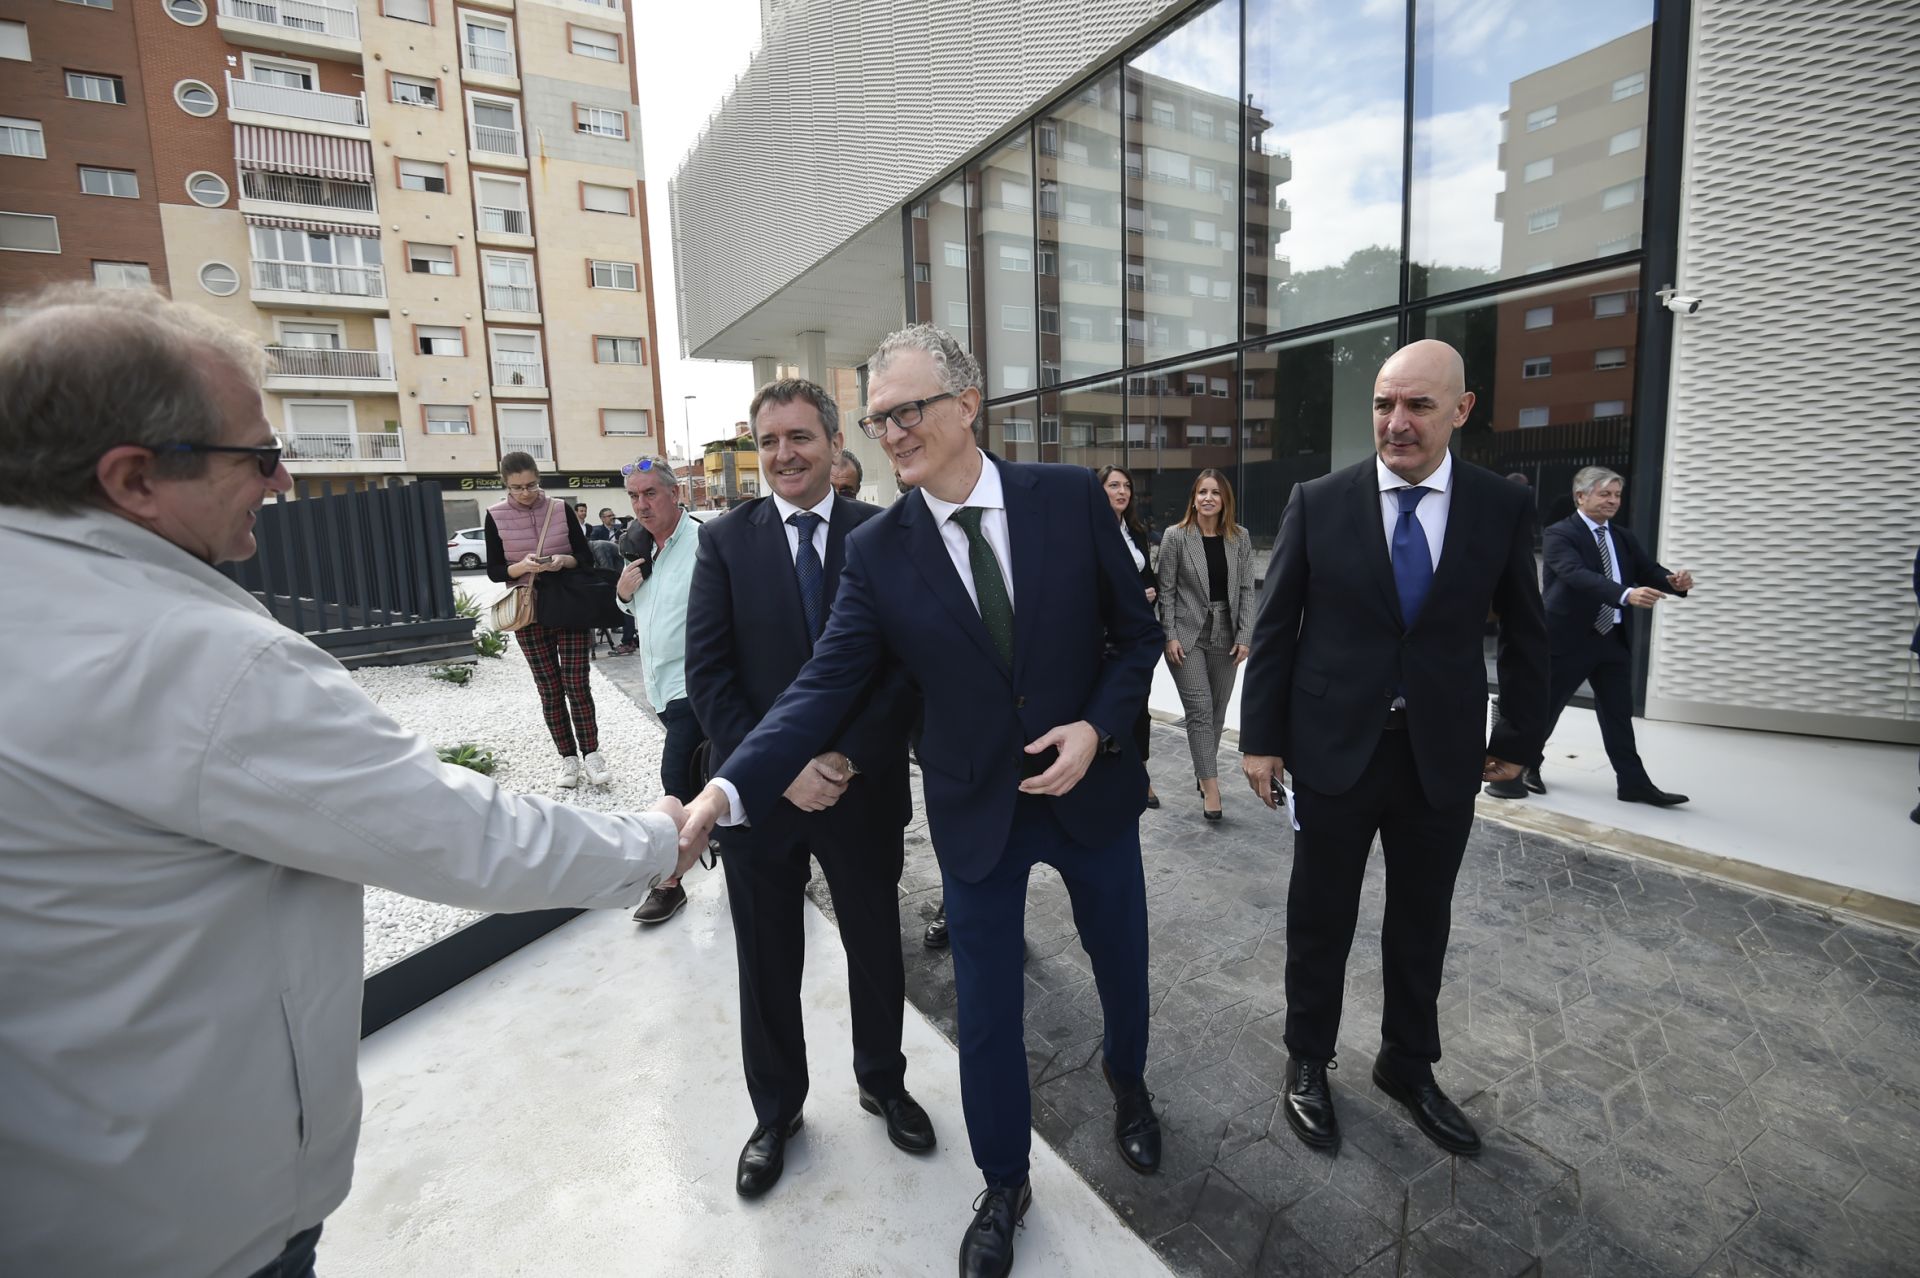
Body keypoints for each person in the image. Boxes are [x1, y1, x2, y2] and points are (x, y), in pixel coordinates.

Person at [0, 285, 686, 1278]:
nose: (281, 480)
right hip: (190, 1227)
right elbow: (457, 834)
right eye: (257, 454)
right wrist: (660, 837)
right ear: (137, 477)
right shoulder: (201, 662)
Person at [675, 325, 1163, 1278]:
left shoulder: (1065, 499)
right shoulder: (881, 549)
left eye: (908, 410)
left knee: (1122, 962)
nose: (892, 432)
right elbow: (824, 682)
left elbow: (1136, 639)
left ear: (968, 402)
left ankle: (1131, 1086)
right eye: (878, 418)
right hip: (977, 805)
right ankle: (1003, 1181)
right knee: (984, 1010)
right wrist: (731, 783)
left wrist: (1097, 730)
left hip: (1087, 789)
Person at [1240, 339, 1548, 1160]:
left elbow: (1527, 631)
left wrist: (1517, 740)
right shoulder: (1321, 499)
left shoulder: (1499, 507)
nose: (1397, 422)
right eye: (1384, 404)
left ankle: (1407, 1066)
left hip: (1441, 755)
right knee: (1321, 918)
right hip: (1334, 750)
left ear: (1461, 410)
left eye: (1416, 405)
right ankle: (1308, 1060)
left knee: (1422, 922)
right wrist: (1260, 740)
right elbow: (1275, 630)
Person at [685, 378, 931, 1199]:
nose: (783, 455)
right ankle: (777, 1111)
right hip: (763, 799)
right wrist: (780, 766)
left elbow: (904, 671)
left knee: (874, 947)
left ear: (833, 443)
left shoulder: (885, 533)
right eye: (769, 443)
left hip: (859, 792)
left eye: (799, 437)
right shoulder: (724, 543)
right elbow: (710, 678)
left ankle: (882, 1081)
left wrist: (847, 760)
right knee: (767, 961)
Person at [1500, 467, 1692, 805]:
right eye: (1605, 494)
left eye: (1617, 495)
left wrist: (1671, 582)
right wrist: (1625, 595)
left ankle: (1633, 784)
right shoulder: (1560, 534)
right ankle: (1527, 765)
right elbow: (1576, 575)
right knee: (1546, 709)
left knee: (1618, 714)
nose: (1613, 501)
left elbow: (1648, 569)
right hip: (1568, 639)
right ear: (1581, 496)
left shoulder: (1622, 537)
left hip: (1612, 639)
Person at [485, 454, 612, 788]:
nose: (525, 492)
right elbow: (495, 571)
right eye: (516, 487)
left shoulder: (559, 508)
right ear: (505, 484)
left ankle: (592, 755)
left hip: (569, 604)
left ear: (539, 478)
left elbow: (584, 557)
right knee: (549, 690)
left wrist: (563, 560)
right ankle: (568, 759)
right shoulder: (495, 515)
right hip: (528, 613)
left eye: (531, 485)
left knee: (577, 684)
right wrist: (522, 566)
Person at [616, 455, 706, 924]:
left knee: (675, 782)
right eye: (634, 496)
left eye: (650, 493)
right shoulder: (640, 547)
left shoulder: (704, 543)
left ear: (675, 493)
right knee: (708, 775)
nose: (642, 505)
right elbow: (642, 613)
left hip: (695, 685)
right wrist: (623, 595)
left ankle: (669, 884)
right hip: (658, 686)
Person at [1156, 469, 1255, 822]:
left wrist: (1245, 636)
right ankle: (1211, 785)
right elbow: (1165, 591)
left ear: (1225, 499)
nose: (1208, 498)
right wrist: (1169, 634)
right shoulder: (1176, 537)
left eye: (1215, 492)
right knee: (1199, 710)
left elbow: (1246, 590)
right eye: (1202, 492)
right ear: (1194, 498)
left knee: (1217, 713)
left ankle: (1203, 770)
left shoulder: (1239, 538)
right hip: (1187, 634)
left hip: (1225, 634)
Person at [1099, 464, 1161, 809]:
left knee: (1140, 706)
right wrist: (1139, 592)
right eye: (1113, 485)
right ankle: (1109, 773)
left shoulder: (1135, 531)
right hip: (1104, 636)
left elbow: (1147, 576)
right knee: (1109, 703)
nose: (1122, 492)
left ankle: (1141, 774)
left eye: (1126, 486)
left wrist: (1148, 591)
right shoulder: (1091, 531)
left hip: (1137, 633)